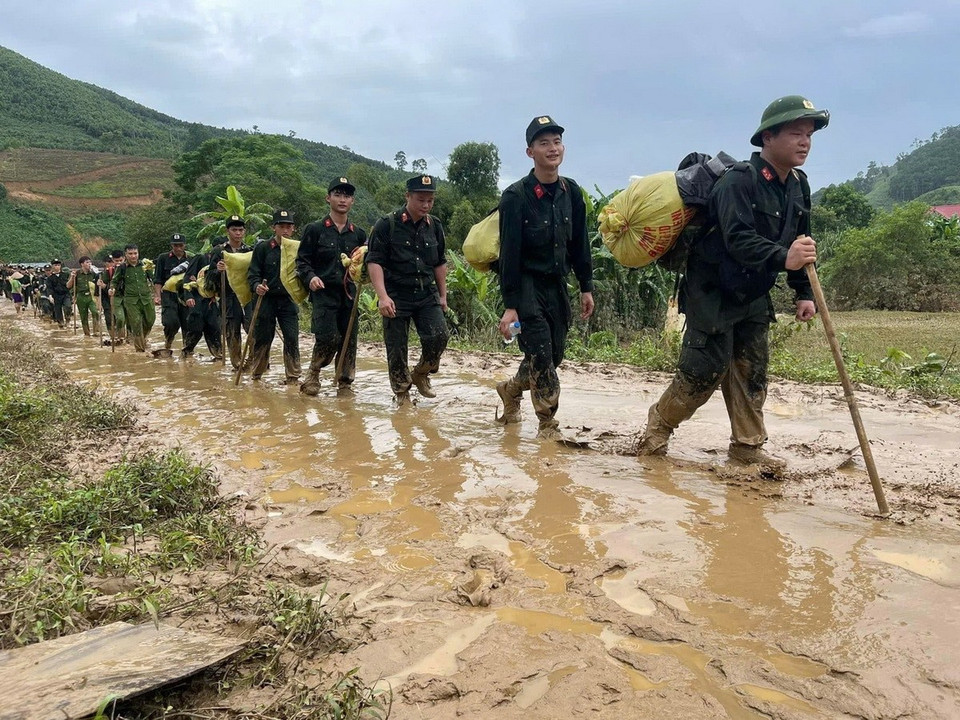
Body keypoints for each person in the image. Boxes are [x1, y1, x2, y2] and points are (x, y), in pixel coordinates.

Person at [635, 95, 828, 469]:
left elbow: (801, 244)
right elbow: (737, 238)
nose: (804, 141)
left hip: (753, 292)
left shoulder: (798, 186)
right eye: (795, 133)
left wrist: (802, 292)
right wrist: (782, 256)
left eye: (809, 134)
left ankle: (747, 446)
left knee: (751, 371)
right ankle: (659, 424)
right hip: (712, 290)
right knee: (701, 374)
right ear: (767, 138)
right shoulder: (739, 181)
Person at [495, 115, 595, 438]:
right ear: (530, 152)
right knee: (539, 350)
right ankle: (547, 423)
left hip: (556, 285)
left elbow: (580, 243)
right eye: (543, 143)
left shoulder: (572, 193)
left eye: (556, 141)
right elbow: (509, 254)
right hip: (526, 285)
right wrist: (511, 305)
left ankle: (511, 389)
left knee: (554, 355)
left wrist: (586, 286)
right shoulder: (516, 197)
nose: (552, 148)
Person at [366, 175, 449, 405]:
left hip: (426, 293)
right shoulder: (387, 224)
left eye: (430, 200)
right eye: (421, 199)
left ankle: (421, 372)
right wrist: (382, 297)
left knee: (439, 336)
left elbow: (440, 263)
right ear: (407, 196)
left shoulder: (435, 226)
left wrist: (443, 295)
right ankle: (402, 394)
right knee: (396, 348)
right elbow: (374, 262)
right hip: (396, 295)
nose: (426, 205)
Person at [296, 177, 368, 395]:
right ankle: (314, 372)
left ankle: (344, 382)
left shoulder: (358, 234)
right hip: (323, 293)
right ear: (328, 198)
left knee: (349, 338)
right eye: (338, 194)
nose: (342, 199)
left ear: (353, 201)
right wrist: (310, 278)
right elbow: (302, 261)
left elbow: (364, 263)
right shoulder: (315, 229)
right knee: (328, 338)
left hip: (349, 295)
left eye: (347, 196)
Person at [247, 209, 301, 383]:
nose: (285, 230)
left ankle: (293, 376)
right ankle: (257, 374)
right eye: (281, 226)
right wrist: (257, 286)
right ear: (274, 228)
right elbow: (253, 274)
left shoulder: (297, 249)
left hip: (287, 300)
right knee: (263, 337)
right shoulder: (263, 248)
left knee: (292, 337)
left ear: (293, 229)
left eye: (288, 227)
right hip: (266, 300)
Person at [207, 215, 253, 369]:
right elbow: (209, 277)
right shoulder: (219, 251)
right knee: (232, 333)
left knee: (253, 329)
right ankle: (237, 364)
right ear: (228, 231)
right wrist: (218, 271)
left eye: (240, 230)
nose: (238, 233)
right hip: (228, 296)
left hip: (247, 296)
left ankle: (255, 360)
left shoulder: (249, 251)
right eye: (234, 230)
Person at [109, 244, 156, 352]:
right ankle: (140, 350)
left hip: (146, 298)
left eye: (135, 253)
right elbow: (114, 281)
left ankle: (142, 338)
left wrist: (159, 293)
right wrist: (112, 289)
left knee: (150, 320)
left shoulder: (145, 266)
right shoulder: (122, 268)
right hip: (131, 300)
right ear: (126, 255)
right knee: (136, 323)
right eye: (130, 254)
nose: (133, 256)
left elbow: (154, 279)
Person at [180, 241, 222, 360]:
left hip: (212, 301)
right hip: (196, 299)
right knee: (196, 328)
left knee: (214, 328)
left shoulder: (224, 263)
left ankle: (219, 356)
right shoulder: (200, 258)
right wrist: (188, 296)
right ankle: (187, 353)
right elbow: (188, 277)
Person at [154, 234, 190, 353]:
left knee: (187, 323)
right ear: (171, 245)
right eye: (175, 245)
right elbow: (158, 279)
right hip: (168, 295)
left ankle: (187, 349)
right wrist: (157, 296)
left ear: (184, 245)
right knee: (171, 322)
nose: (178, 248)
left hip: (186, 294)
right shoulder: (163, 258)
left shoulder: (191, 258)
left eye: (180, 245)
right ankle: (168, 341)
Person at [66, 256, 100, 336]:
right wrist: (72, 277)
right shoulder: (77, 274)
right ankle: (87, 334)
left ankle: (96, 332)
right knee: (83, 316)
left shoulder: (94, 273)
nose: (89, 264)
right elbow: (68, 286)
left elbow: (98, 284)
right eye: (87, 262)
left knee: (95, 312)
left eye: (90, 262)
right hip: (81, 297)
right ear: (82, 264)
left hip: (91, 296)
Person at [47, 259, 72, 328]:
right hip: (56, 295)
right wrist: (50, 296)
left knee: (68, 306)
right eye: (55, 265)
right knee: (58, 310)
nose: (57, 267)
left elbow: (70, 284)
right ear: (52, 266)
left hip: (65, 294)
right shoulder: (50, 278)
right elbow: (49, 288)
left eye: (58, 265)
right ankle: (60, 323)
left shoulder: (65, 275)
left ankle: (68, 320)